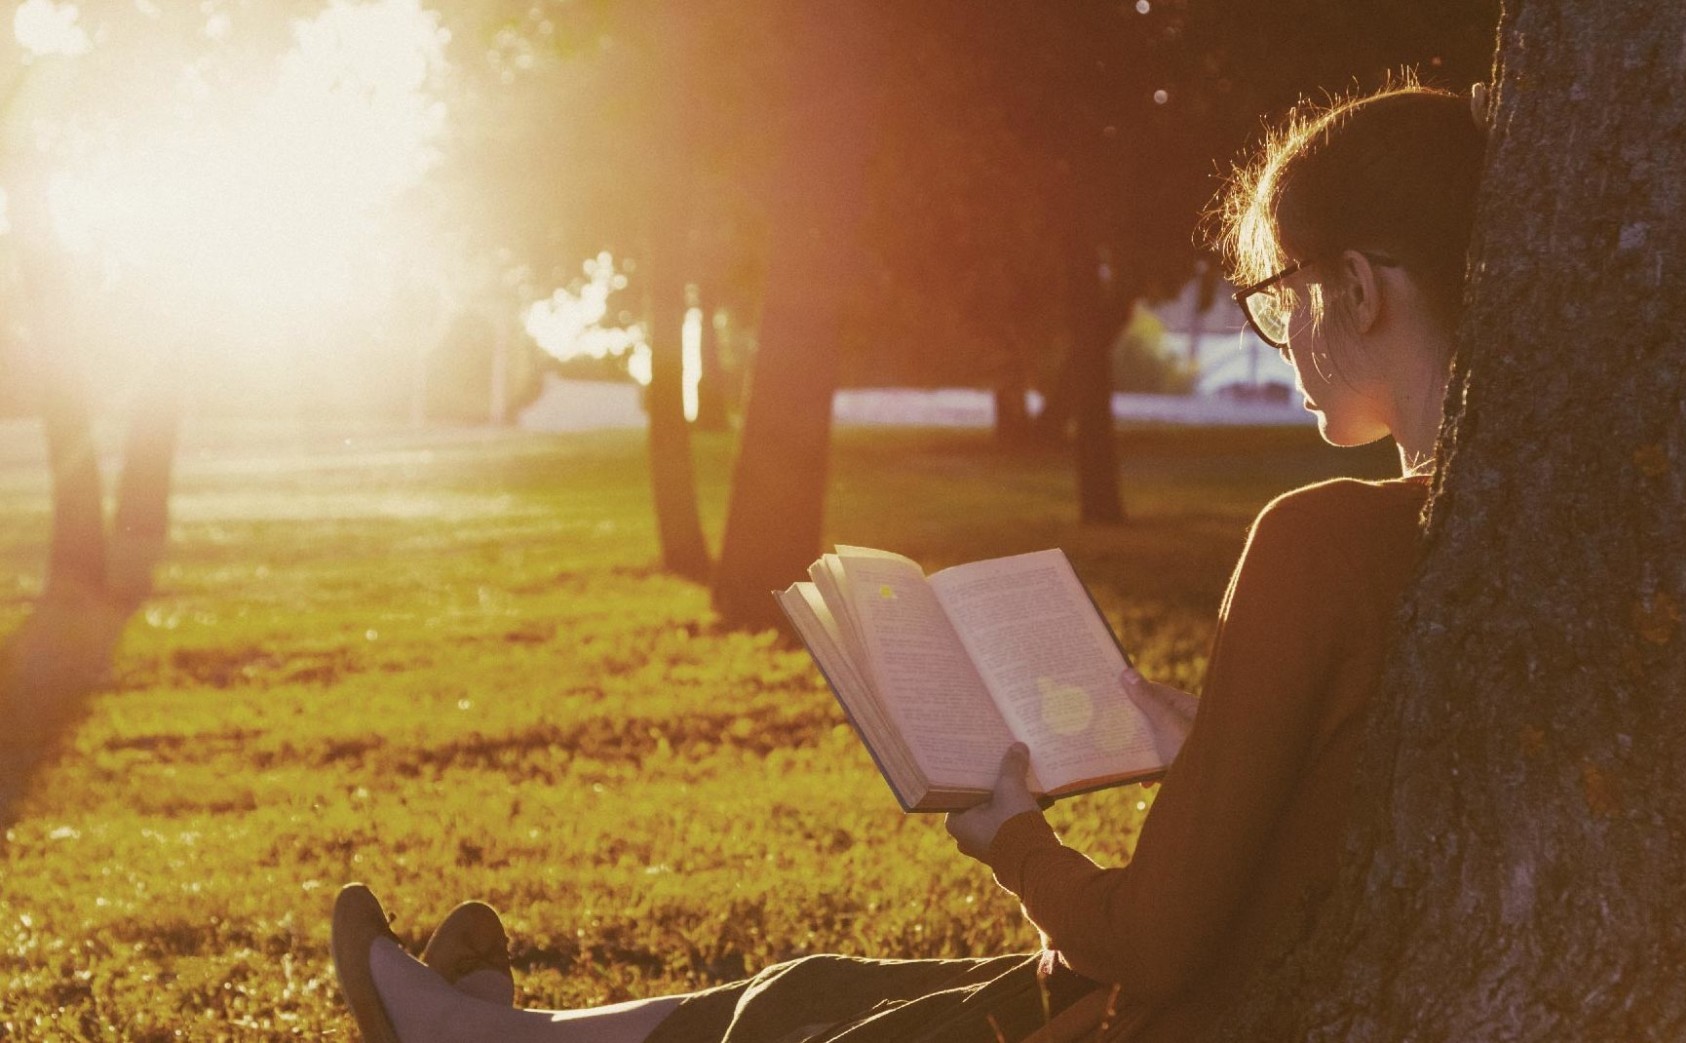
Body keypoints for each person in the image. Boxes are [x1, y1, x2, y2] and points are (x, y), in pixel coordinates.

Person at [330, 80, 1489, 1043]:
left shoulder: (1319, 539)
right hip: (1255, 992)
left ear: (1357, 289)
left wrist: (1013, 842)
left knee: (825, 1019)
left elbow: (1155, 943)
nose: (1277, 335)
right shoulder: (1466, 541)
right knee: (819, 987)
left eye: (1279, 296)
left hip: (1181, 1013)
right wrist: (1217, 752)